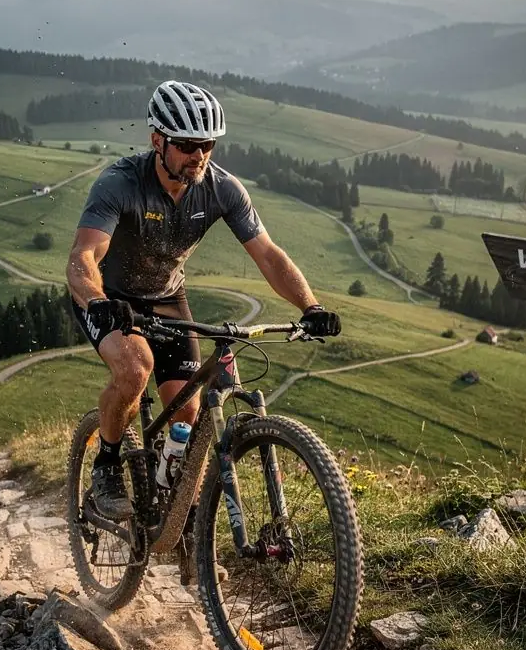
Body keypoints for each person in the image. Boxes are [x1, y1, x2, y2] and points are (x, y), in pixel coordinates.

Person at [66, 79, 341, 521]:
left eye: (208, 144)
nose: (200, 155)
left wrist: (310, 307)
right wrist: (96, 299)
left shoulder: (222, 188)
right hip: (110, 298)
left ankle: (166, 509)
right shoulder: (120, 183)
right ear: (158, 140)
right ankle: (107, 464)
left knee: (189, 408)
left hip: (168, 296)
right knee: (136, 367)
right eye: (188, 144)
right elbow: (83, 256)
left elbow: (268, 255)